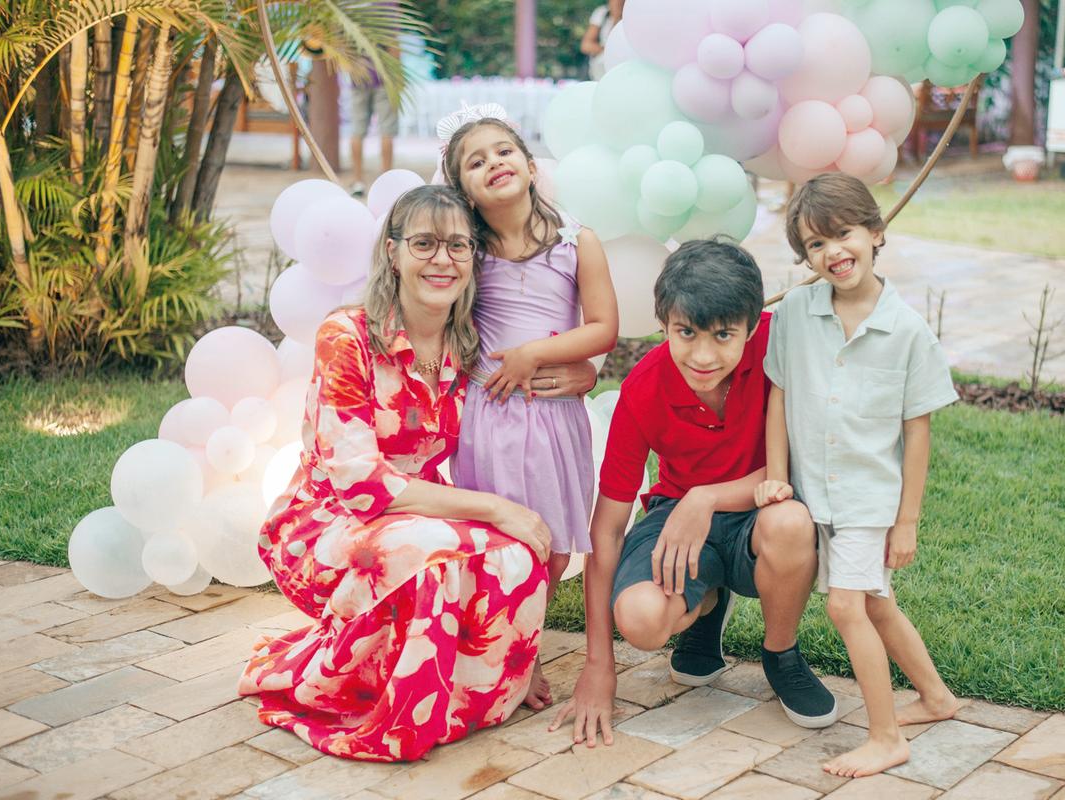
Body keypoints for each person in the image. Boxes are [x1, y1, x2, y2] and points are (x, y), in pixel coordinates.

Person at [238, 184, 593, 762]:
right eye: (424, 243)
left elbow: (545, 365)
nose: (442, 259)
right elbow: (362, 485)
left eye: (457, 245)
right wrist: (496, 508)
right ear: (394, 253)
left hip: (420, 514)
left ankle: (475, 694)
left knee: (520, 553)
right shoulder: (347, 337)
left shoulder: (469, 346)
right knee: (438, 554)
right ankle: (400, 713)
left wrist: (583, 376)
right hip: (326, 521)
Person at [552, 238, 838, 747]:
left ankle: (782, 654)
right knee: (640, 619)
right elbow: (609, 525)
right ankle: (705, 604)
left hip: (758, 510)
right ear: (664, 323)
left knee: (791, 523)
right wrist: (600, 664)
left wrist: (703, 497)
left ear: (752, 326)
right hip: (677, 516)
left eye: (724, 335)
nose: (703, 356)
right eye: (685, 333)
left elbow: (796, 468)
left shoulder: (781, 349)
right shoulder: (644, 386)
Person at [756, 173, 962, 778]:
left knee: (847, 606)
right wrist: (774, 474)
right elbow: (778, 394)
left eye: (842, 234)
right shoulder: (795, 311)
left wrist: (907, 522)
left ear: (876, 233)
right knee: (874, 604)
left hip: (870, 499)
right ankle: (936, 697)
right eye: (815, 245)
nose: (832, 253)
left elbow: (916, 432)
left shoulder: (908, 333)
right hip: (811, 491)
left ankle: (885, 737)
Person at [442, 116, 619, 710]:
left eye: (504, 150)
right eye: (475, 160)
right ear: (464, 190)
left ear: (530, 164)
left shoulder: (577, 241)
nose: (494, 162)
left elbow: (603, 327)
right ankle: (519, 654)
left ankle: (523, 638)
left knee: (555, 547)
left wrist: (538, 355)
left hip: (550, 413)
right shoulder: (467, 252)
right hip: (489, 413)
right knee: (504, 539)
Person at [349, 67, 397, 195]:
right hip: (384, 77)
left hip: (358, 77)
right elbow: (394, 53)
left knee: (357, 131)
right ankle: (386, 184)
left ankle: (358, 182)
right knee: (387, 131)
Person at [581, 0, 625, 79]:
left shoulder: (632, 16)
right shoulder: (602, 13)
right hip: (600, 65)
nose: (619, 2)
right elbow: (586, 45)